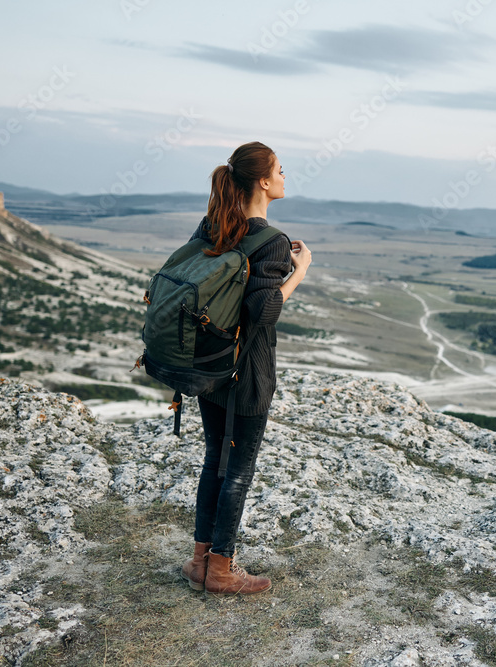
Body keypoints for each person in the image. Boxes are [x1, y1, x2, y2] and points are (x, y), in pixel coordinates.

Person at [180, 141, 311, 595]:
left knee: (214, 460)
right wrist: (299, 272)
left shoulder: (213, 225)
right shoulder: (271, 240)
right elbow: (264, 312)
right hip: (247, 373)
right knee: (237, 470)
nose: (283, 175)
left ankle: (200, 561)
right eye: (279, 169)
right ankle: (221, 571)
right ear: (262, 181)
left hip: (210, 366)